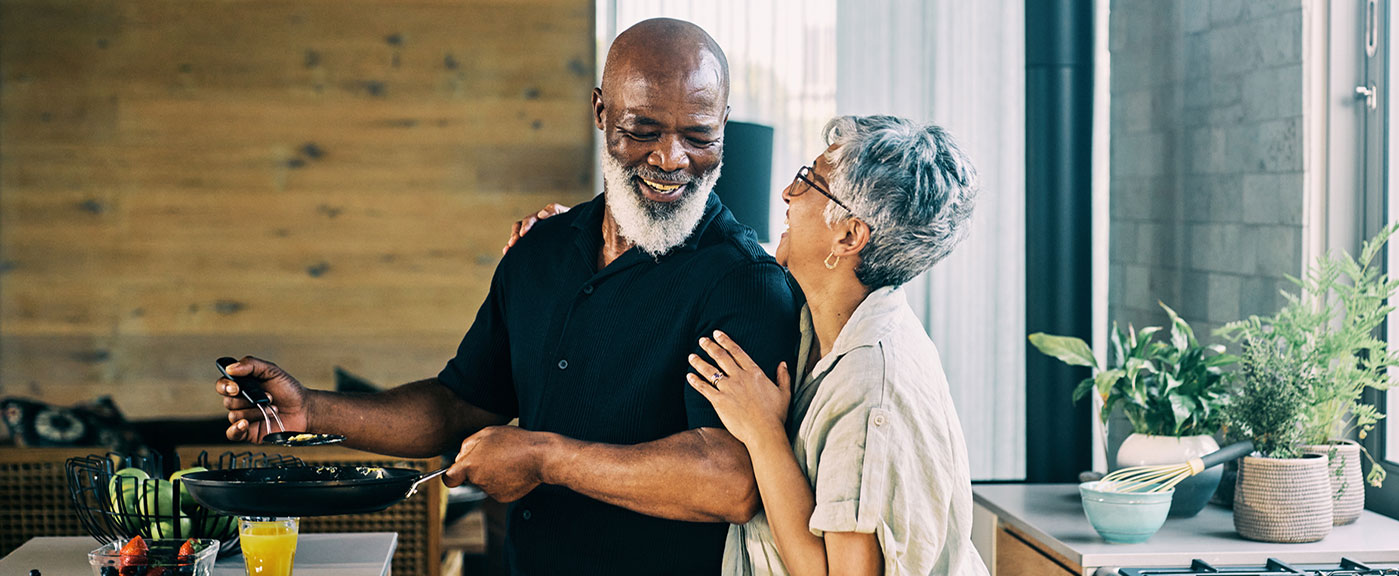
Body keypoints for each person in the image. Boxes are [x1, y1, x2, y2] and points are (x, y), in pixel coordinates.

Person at [214, 18, 800, 575]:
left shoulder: (743, 283)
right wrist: (310, 411)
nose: (672, 159)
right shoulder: (539, 249)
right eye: (642, 130)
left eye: (700, 136)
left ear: (723, 122)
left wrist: (543, 456)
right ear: (600, 111)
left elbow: (731, 480)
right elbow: (459, 405)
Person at [512, 115, 989, 575]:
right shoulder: (823, 320)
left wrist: (763, 435)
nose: (787, 192)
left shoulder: (870, 394)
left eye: (809, 181)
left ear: (848, 235)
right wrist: (586, 235)